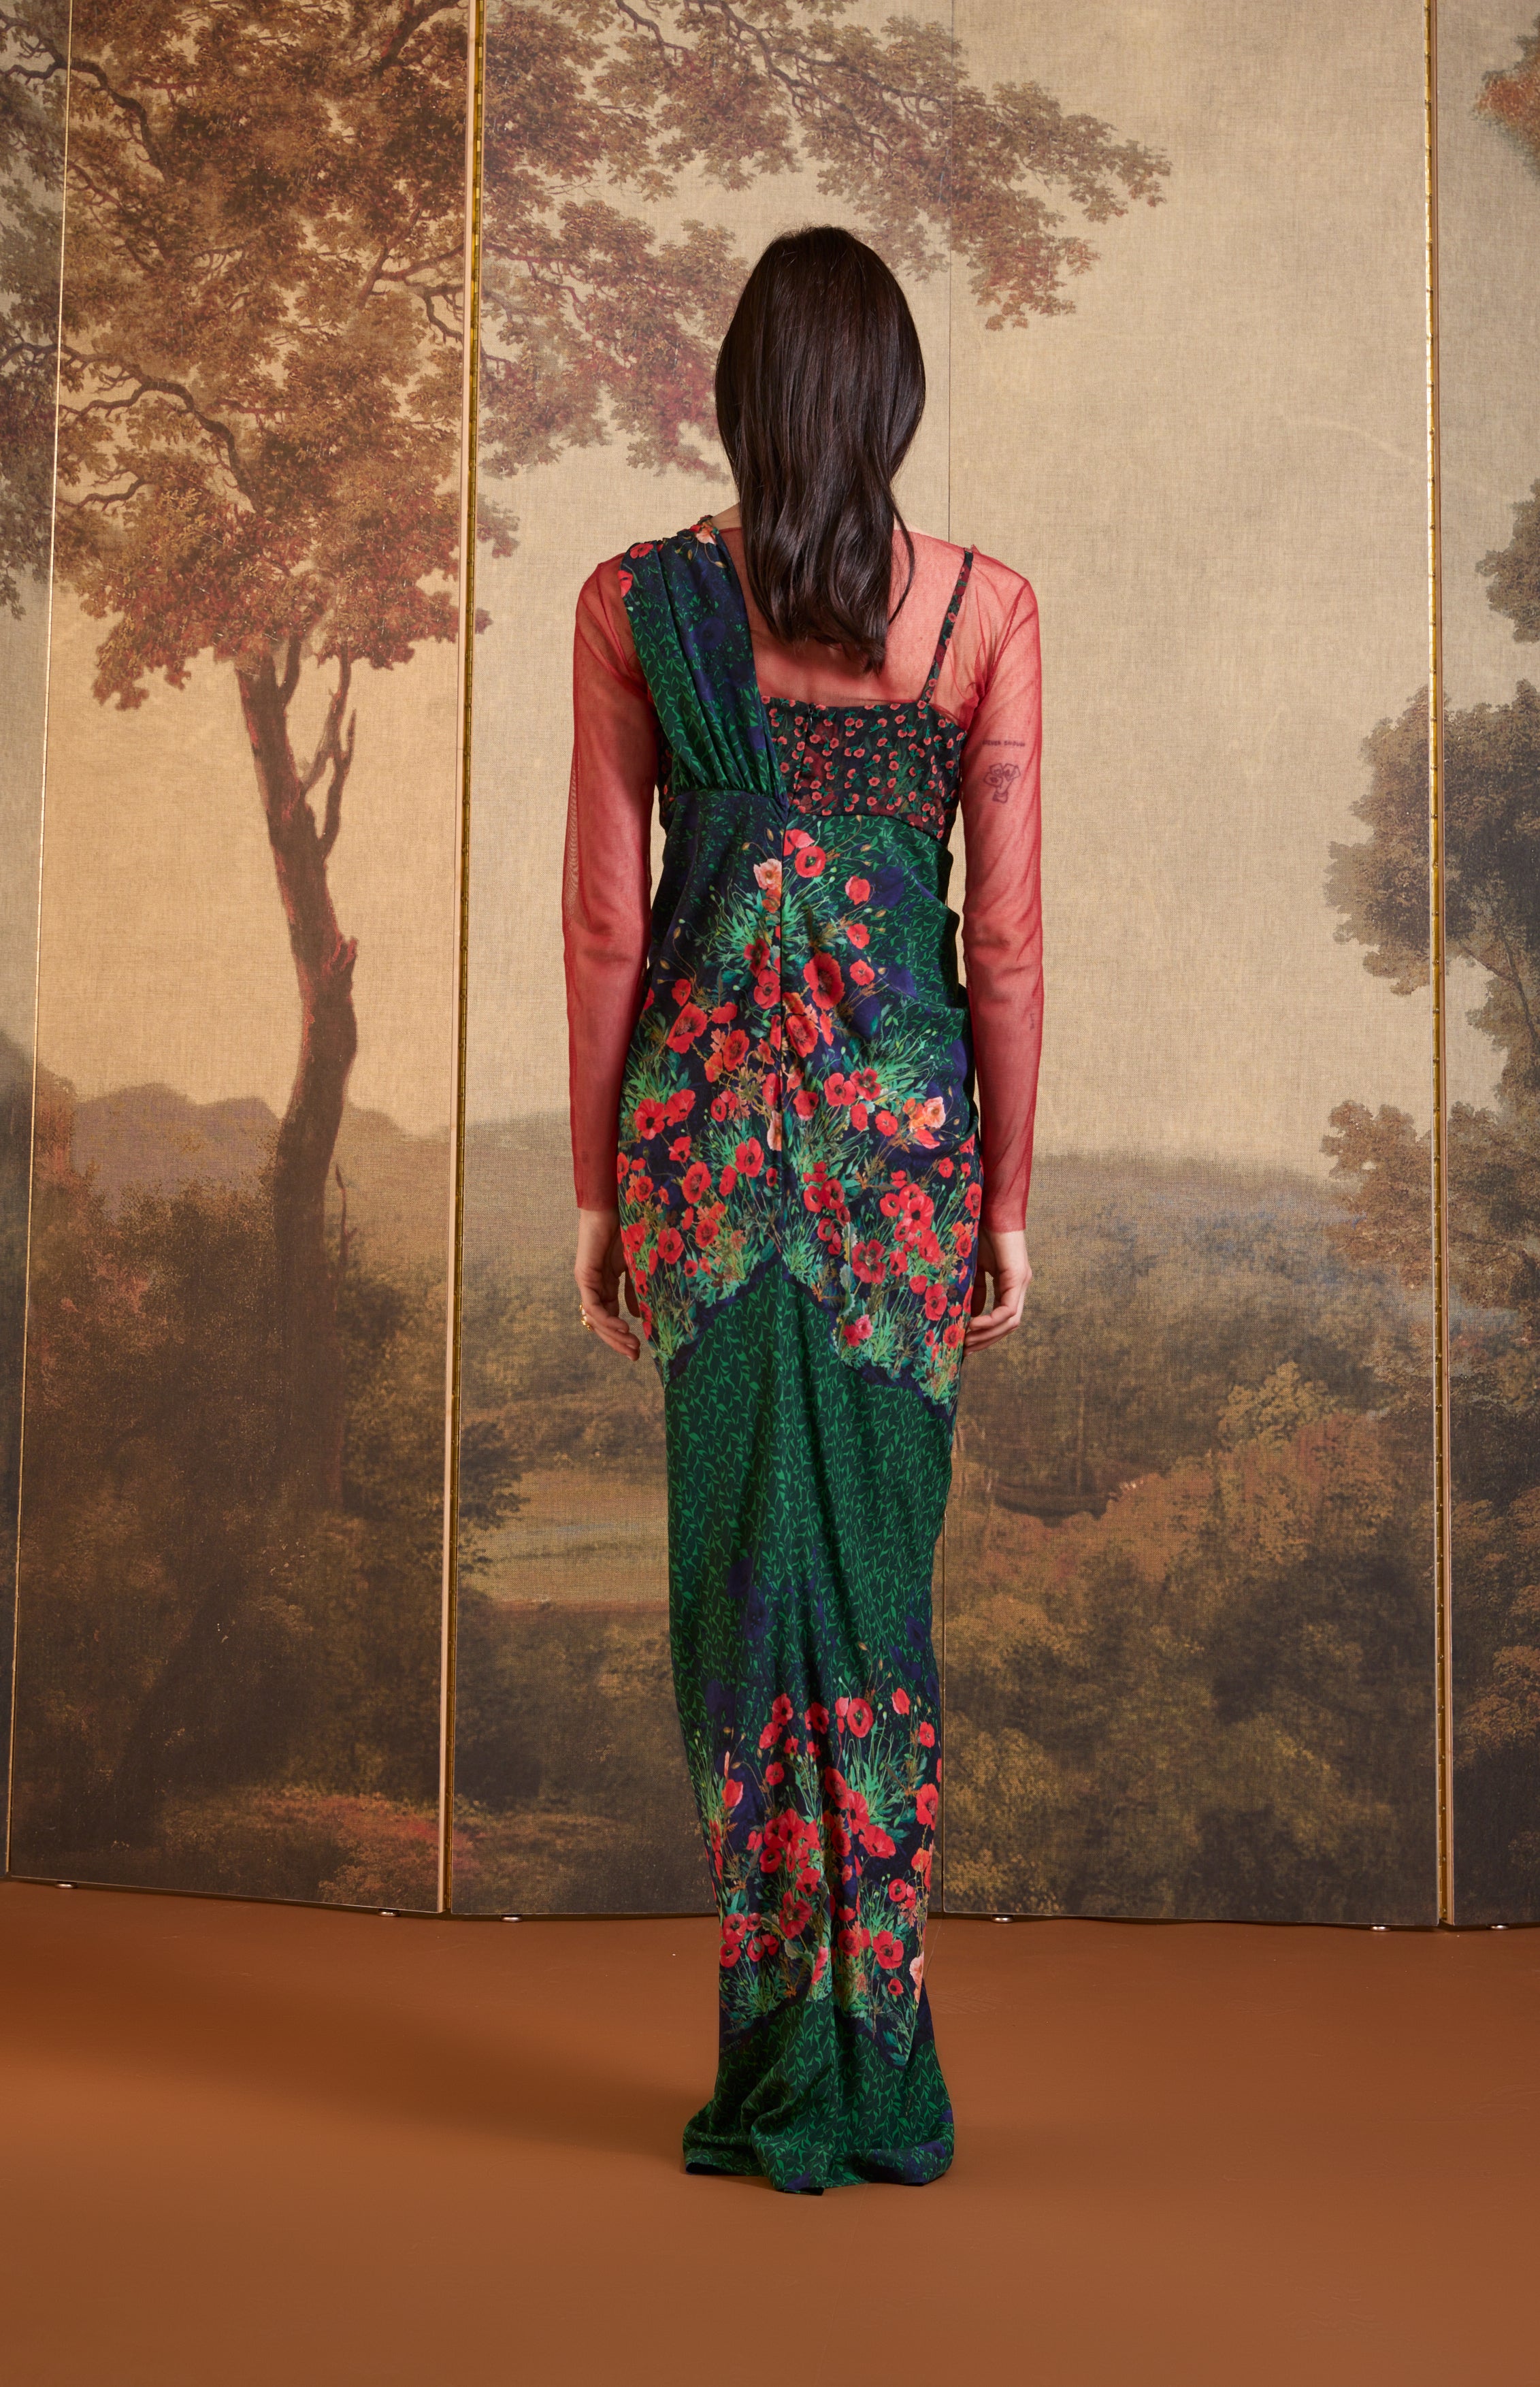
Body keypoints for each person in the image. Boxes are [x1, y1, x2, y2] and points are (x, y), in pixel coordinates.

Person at [561, 225, 1043, 2192]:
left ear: (736, 396)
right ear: (898, 400)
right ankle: (879, 2066)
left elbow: (609, 928)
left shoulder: (640, 603)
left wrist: (598, 1192)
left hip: (697, 1160)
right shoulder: (984, 611)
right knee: (875, 1601)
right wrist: (1008, 1198)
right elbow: (1004, 946)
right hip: (906, 1172)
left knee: (741, 1604)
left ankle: (782, 2061)